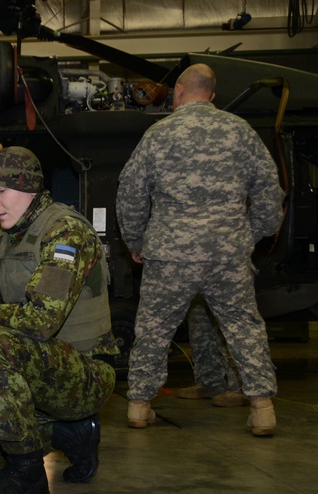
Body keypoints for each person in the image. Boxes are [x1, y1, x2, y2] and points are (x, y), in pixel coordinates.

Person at [0, 146, 119, 494]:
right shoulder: (4, 242)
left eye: (1, 191)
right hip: (43, 366)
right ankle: (69, 434)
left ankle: (28, 474)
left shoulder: (66, 231)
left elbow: (39, 321)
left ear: (30, 188)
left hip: (87, 372)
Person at [116, 63, 283, 437]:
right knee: (243, 326)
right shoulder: (240, 131)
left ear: (178, 91)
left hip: (170, 254)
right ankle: (262, 409)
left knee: (154, 328)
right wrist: (251, 234)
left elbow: (130, 192)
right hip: (228, 254)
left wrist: (135, 242)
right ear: (212, 95)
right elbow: (270, 192)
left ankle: (139, 405)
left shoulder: (158, 134)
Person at [173, 297, 246, 408]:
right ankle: (210, 382)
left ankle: (240, 388)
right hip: (195, 289)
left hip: (225, 289)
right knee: (200, 328)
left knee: (229, 327)